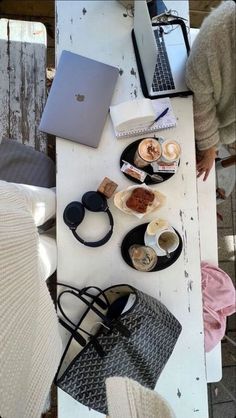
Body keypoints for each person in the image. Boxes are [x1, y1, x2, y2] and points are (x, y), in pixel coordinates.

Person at [185, 0, 236, 181]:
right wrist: (209, 146)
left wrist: (211, 149)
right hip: (200, 113)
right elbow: (200, 97)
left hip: (223, 126)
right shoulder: (219, 28)